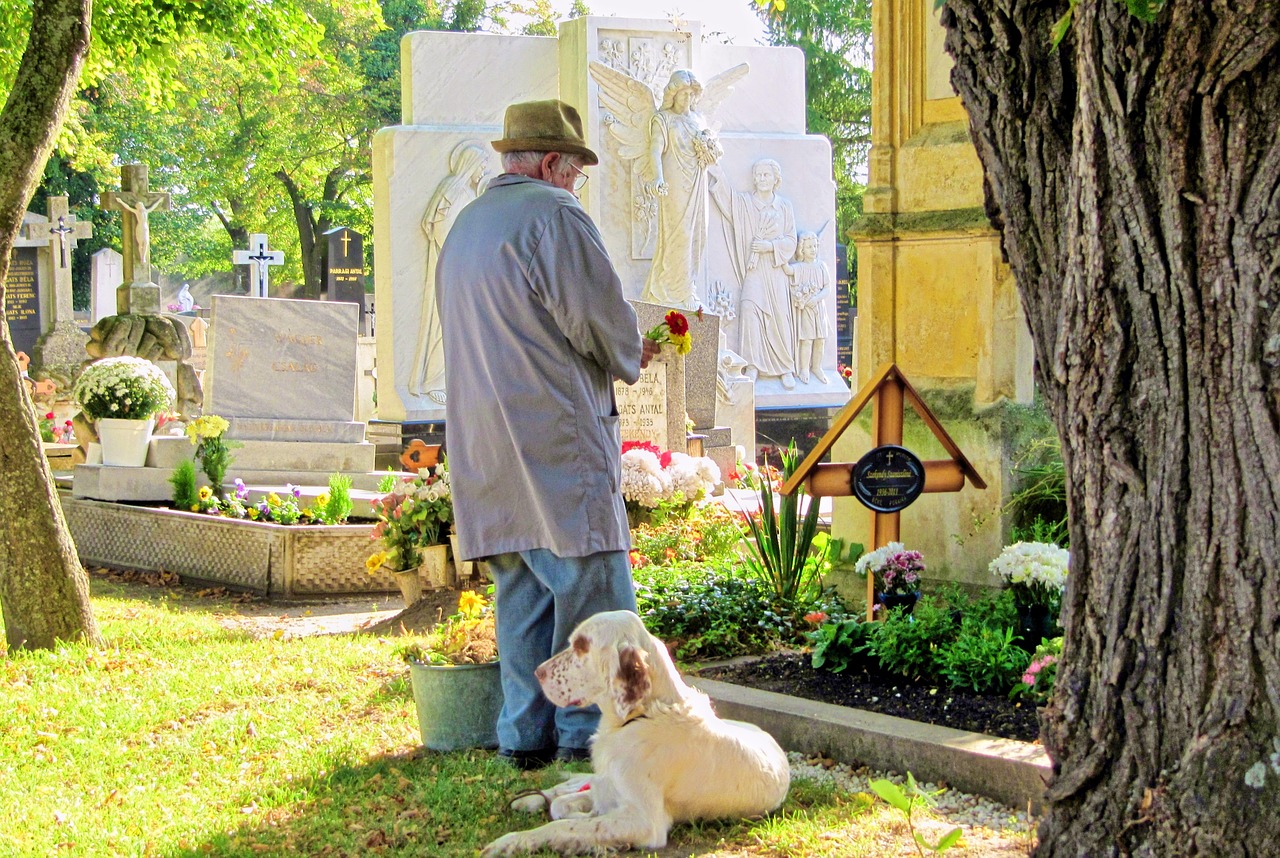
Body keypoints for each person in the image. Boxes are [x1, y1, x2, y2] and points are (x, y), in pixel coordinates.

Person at [436, 99, 660, 769]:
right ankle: (585, 741)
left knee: (523, 597)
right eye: (576, 170)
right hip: (553, 439)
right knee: (592, 592)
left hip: (487, 443)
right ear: (553, 163)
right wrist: (633, 348)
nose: (576, 184)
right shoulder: (556, 215)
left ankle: (522, 737)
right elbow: (596, 317)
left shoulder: (468, 224)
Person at [409, 141, 493, 404]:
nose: (483, 171)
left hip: (465, 270)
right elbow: (444, 233)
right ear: (469, 165)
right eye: (481, 165)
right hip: (454, 271)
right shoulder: (454, 192)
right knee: (443, 327)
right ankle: (435, 380)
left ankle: (459, 380)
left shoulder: (466, 193)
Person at [711, 158, 798, 388]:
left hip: (775, 271)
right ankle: (752, 364)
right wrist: (716, 169)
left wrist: (770, 247)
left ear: (775, 179)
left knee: (779, 316)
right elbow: (729, 201)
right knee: (749, 309)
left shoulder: (784, 207)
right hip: (754, 270)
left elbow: (791, 240)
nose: (761, 179)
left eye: (766, 175)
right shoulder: (746, 203)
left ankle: (785, 368)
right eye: (758, 175)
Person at [784, 231, 831, 385]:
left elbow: (827, 288)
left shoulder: (821, 266)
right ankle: (805, 368)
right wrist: (780, 252)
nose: (813, 249)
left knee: (820, 340)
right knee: (807, 340)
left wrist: (816, 299)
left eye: (815, 246)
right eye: (809, 246)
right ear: (802, 249)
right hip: (806, 311)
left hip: (819, 309)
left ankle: (817, 367)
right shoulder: (800, 267)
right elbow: (788, 270)